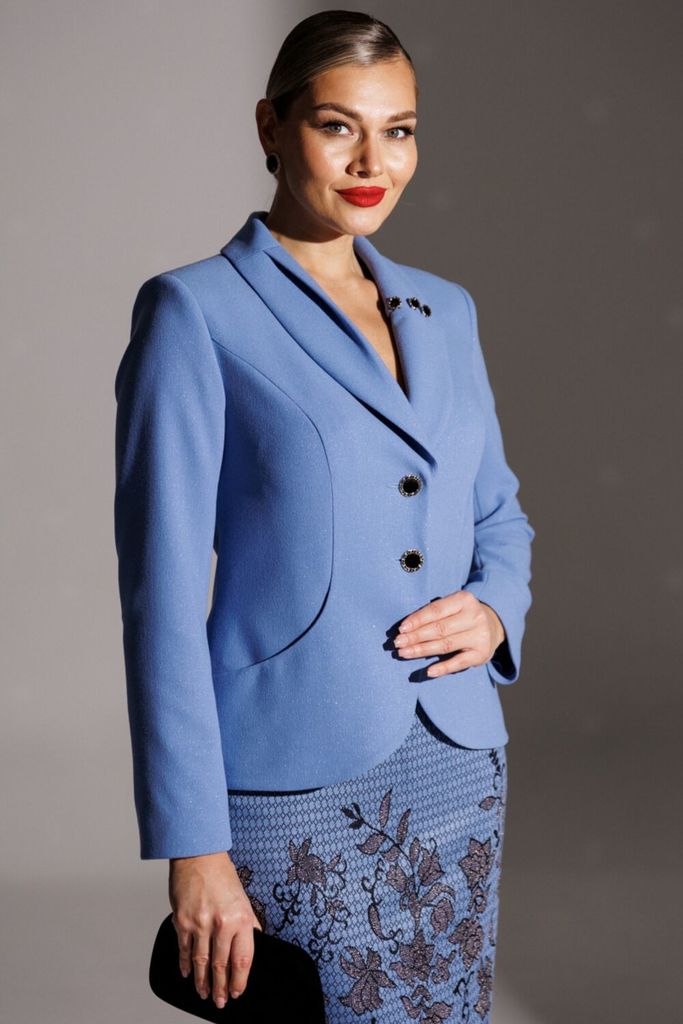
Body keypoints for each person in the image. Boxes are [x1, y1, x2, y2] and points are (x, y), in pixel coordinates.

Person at [113, 10, 535, 1022]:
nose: (371, 162)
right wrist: (192, 846)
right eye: (338, 126)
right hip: (290, 784)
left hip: (457, 767)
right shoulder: (194, 312)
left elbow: (499, 515)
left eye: (399, 131)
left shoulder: (446, 310)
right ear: (271, 125)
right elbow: (159, 599)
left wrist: (494, 609)